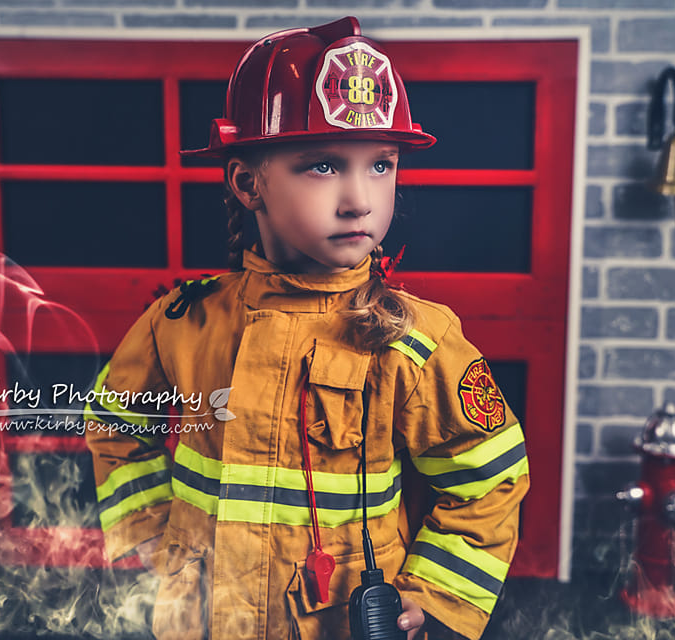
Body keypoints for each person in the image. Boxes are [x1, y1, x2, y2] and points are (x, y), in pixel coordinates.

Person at [85, 16, 529, 640]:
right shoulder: (183, 323)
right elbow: (115, 422)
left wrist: (430, 593)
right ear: (248, 182)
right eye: (322, 166)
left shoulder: (411, 340)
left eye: (381, 165)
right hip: (199, 621)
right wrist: (150, 545)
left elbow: (489, 478)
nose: (360, 199)